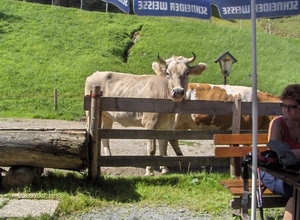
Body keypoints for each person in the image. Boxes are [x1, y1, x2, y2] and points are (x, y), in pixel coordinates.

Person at [260, 84, 300, 220]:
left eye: (292, 107)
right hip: (275, 174)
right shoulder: (278, 123)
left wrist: (292, 153)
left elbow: (289, 154)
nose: (286, 110)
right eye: (284, 106)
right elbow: (278, 155)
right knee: (298, 191)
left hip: (296, 173)